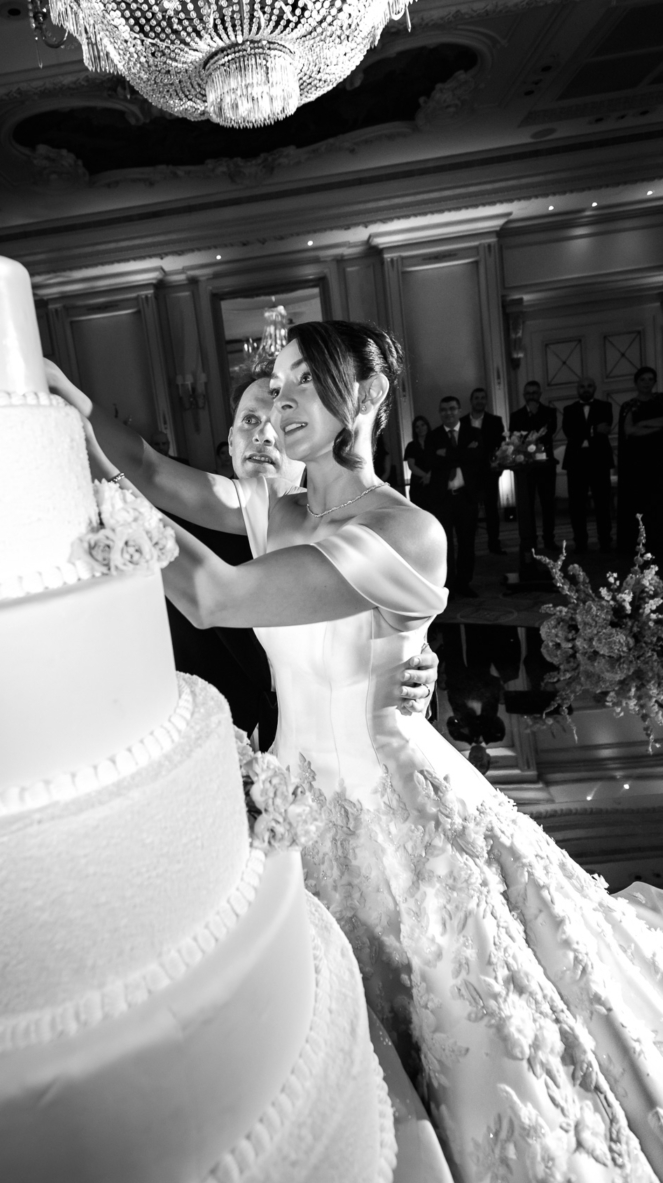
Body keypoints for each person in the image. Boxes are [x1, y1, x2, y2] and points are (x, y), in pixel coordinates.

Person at [54, 320, 663, 1182]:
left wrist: (114, 514)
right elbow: (151, 470)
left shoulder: (408, 532)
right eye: (277, 380)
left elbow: (212, 595)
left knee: (464, 1027)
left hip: (397, 813)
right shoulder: (278, 507)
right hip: (296, 811)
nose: (281, 400)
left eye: (305, 381)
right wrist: (55, 406)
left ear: (367, 398)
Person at [46, 356, 439, 731]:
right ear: (230, 441)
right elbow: (144, 466)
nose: (264, 434)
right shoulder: (163, 526)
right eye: (250, 421)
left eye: (282, 422)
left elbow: (393, 635)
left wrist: (414, 659)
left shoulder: (366, 529)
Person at [425, 396, 481, 597]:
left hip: (466, 498)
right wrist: (462, 454)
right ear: (440, 413)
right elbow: (431, 462)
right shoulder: (433, 437)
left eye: (452, 409)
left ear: (459, 410)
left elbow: (477, 459)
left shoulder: (473, 433)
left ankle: (464, 583)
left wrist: (447, 454)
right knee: (444, 545)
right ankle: (447, 585)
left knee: (467, 543)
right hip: (443, 499)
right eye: (444, 410)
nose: (448, 413)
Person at [561, 377, 613, 553]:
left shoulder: (605, 407)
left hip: (599, 460)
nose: (585, 389)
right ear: (577, 389)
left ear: (595, 388)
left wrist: (583, 431)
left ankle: (605, 541)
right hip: (576, 460)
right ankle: (580, 542)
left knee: (603, 503)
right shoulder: (569, 409)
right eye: (582, 386)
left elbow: (606, 428)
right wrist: (593, 430)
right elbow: (569, 432)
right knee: (576, 504)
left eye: (589, 386)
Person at [617, 366, 663, 561]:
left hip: (660, 458)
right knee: (640, 501)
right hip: (637, 461)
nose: (646, 382)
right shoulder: (628, 405)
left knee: (659, 500)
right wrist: (654, 427)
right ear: (636, 382)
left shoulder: (662, 400)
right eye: (643, 379)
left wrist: (643, 424)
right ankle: (639, 544)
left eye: (650, 379)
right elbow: (629, 431)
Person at [509, 379, 559, 551]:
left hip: (545, 465)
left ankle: (549, 539)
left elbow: (546, 435)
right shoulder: (516, 416)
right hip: (525, 468)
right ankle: (530, 541)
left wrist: (536, 414)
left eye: (534, 393)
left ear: (540, 394)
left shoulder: (550, 412)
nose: (531, 396)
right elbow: (517, 439)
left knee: (547, 505)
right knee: (527, 505)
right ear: (524, 395)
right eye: (528, 393)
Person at [461, 386, 506, 554]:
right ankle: (469, 548)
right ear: (471, 401)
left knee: (492, 511)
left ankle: (494, 544)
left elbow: (500, 446)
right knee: (469, 513)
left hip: (489, 473)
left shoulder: (496, 421)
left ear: (486, 401)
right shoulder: (463, 422)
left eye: (482, 398)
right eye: (476, 398)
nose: (479, 401)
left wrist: (498, 467)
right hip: (469, 475)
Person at [403, 415, 432, 510]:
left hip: (435, 481)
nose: (420, 428)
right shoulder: (411, 446)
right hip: (418, 484)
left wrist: (430, 476)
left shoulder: (436, 442)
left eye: (423, 425)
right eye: (417, 427)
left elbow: (440, 462)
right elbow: (411, 466)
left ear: (427, 425)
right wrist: (425, 476)